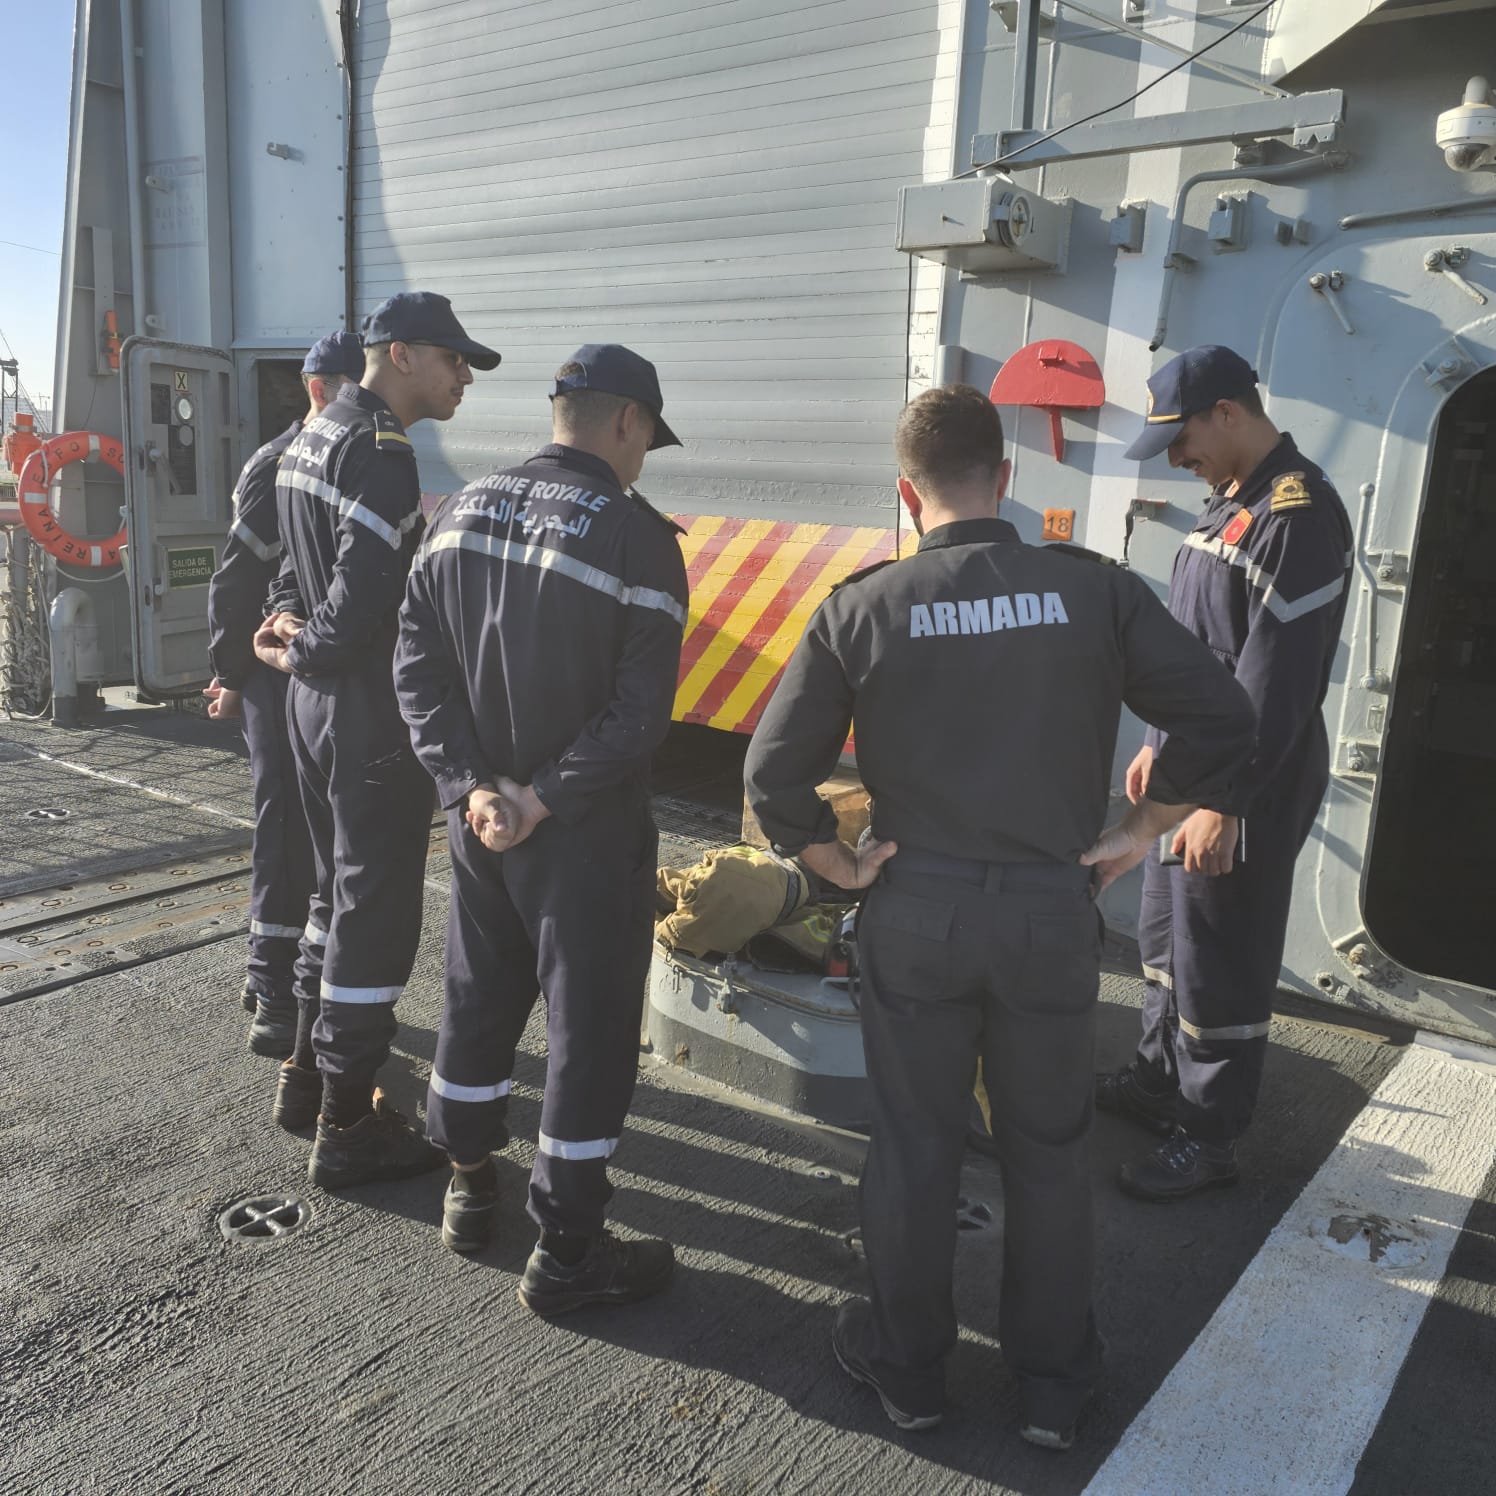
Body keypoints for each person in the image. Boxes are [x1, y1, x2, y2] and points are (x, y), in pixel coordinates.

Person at [743, 385, 1254, 1448]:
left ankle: (909, 1376)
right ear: (1006, 481)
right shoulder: (1091, 589)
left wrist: (833, 861)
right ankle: (1053, 1390)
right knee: (1049, 1148)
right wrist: (1141, 826)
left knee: (914, 1147)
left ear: (903, 489)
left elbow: (771, 773)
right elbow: (1219, 711)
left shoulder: (861, 604)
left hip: (914, 909)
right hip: (1046, 912)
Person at [393, 344, 688, 1314]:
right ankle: (566, 1248)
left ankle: (470, 1185)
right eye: (648, 438)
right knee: (587, 1031)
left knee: (476, 999)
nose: (644, 456)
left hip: (481, 827)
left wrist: (474, 786)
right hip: (582, 837)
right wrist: (543, 796)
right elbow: (638, 716)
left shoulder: (460, 509)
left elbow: (417, 672)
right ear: (626, 424)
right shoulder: (639, 540)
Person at [254, 292, 501, 1190]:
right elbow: (361, 602)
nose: (463, 375)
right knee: (375, 909)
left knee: (331, 891)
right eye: (452, 359)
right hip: (366, 713)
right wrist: (311, 642)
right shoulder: (382, 454)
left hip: (310, 707)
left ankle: (306, 1075)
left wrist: (284, 632)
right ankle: (348, 1123)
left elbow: (292, 565)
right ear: (399, 354)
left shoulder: (311, 435)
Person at [1097, 346, 1354, 1202]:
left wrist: (1224, 803)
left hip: (1249, 777)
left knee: (1221, 957)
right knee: (1168, 939)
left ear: (1228, 413)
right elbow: (1201, 653)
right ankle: (1156, 1082)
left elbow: (1273, 681)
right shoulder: (1231, 506)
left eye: (1182, 439)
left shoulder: (1297, 514)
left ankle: (1208, 1139)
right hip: (1198, 765)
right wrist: (1156, 740)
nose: (1175, 459)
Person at [204, 332, 365, 1057]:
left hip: (305, 666)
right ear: (317, 388)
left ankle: (268, 969)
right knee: (285, 830)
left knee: (306, 831)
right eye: (349, 388)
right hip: (274, 671)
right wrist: (233, 675)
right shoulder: (281, 465)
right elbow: (236, 579)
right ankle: (274, 990)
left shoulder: (334, 456)